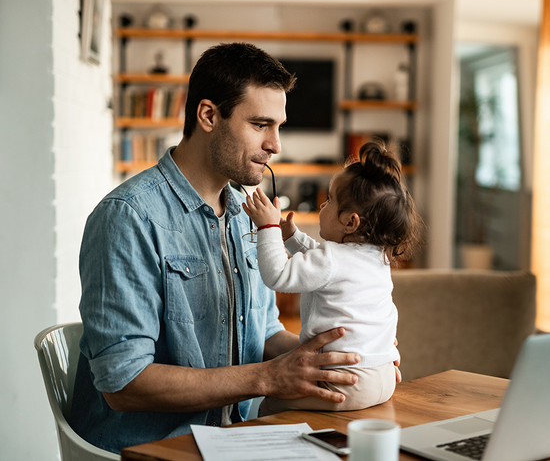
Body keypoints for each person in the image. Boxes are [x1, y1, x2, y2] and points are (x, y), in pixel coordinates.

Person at [71, 42, 363, 454]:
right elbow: (124, 383)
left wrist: (340, 356)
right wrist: (268, 378)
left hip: (235, 440)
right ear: (209, 115)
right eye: (261, 124)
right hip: (151, 449)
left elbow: (264, 334)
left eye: (279, 126)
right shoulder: (127, 217)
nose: (276, 145)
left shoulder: (247, 216)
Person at [242, 141, 423, 415]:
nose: (322, 205)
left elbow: (278, 276)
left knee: (270, 406)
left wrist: (267, 227)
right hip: (384, 373)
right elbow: (326, 263)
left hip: (346, 382)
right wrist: (293, 238)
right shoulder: (376, 257)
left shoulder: (332, 260)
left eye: (329, 200)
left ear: (351, 222)